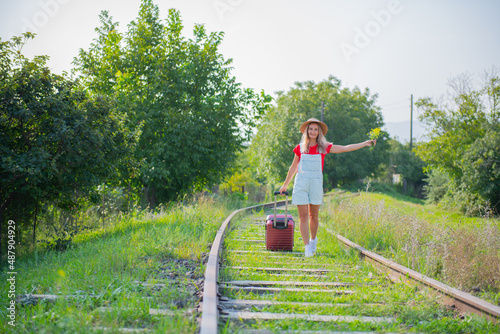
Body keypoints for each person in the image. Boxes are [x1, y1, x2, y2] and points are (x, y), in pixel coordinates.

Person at [279, 118, 376, 257]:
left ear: (319, 132)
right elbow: (293, 167)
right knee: (303, 216)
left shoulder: (323, 147)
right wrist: (285, 184)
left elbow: (345, 148)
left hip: (316, 183)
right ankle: (307, 247)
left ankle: (313, 240)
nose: (313, 131)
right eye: (310, 129)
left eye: (315, 129)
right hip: (301, 183)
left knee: (314, 216)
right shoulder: (300, 148)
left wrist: (364, 143)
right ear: (307, 131)